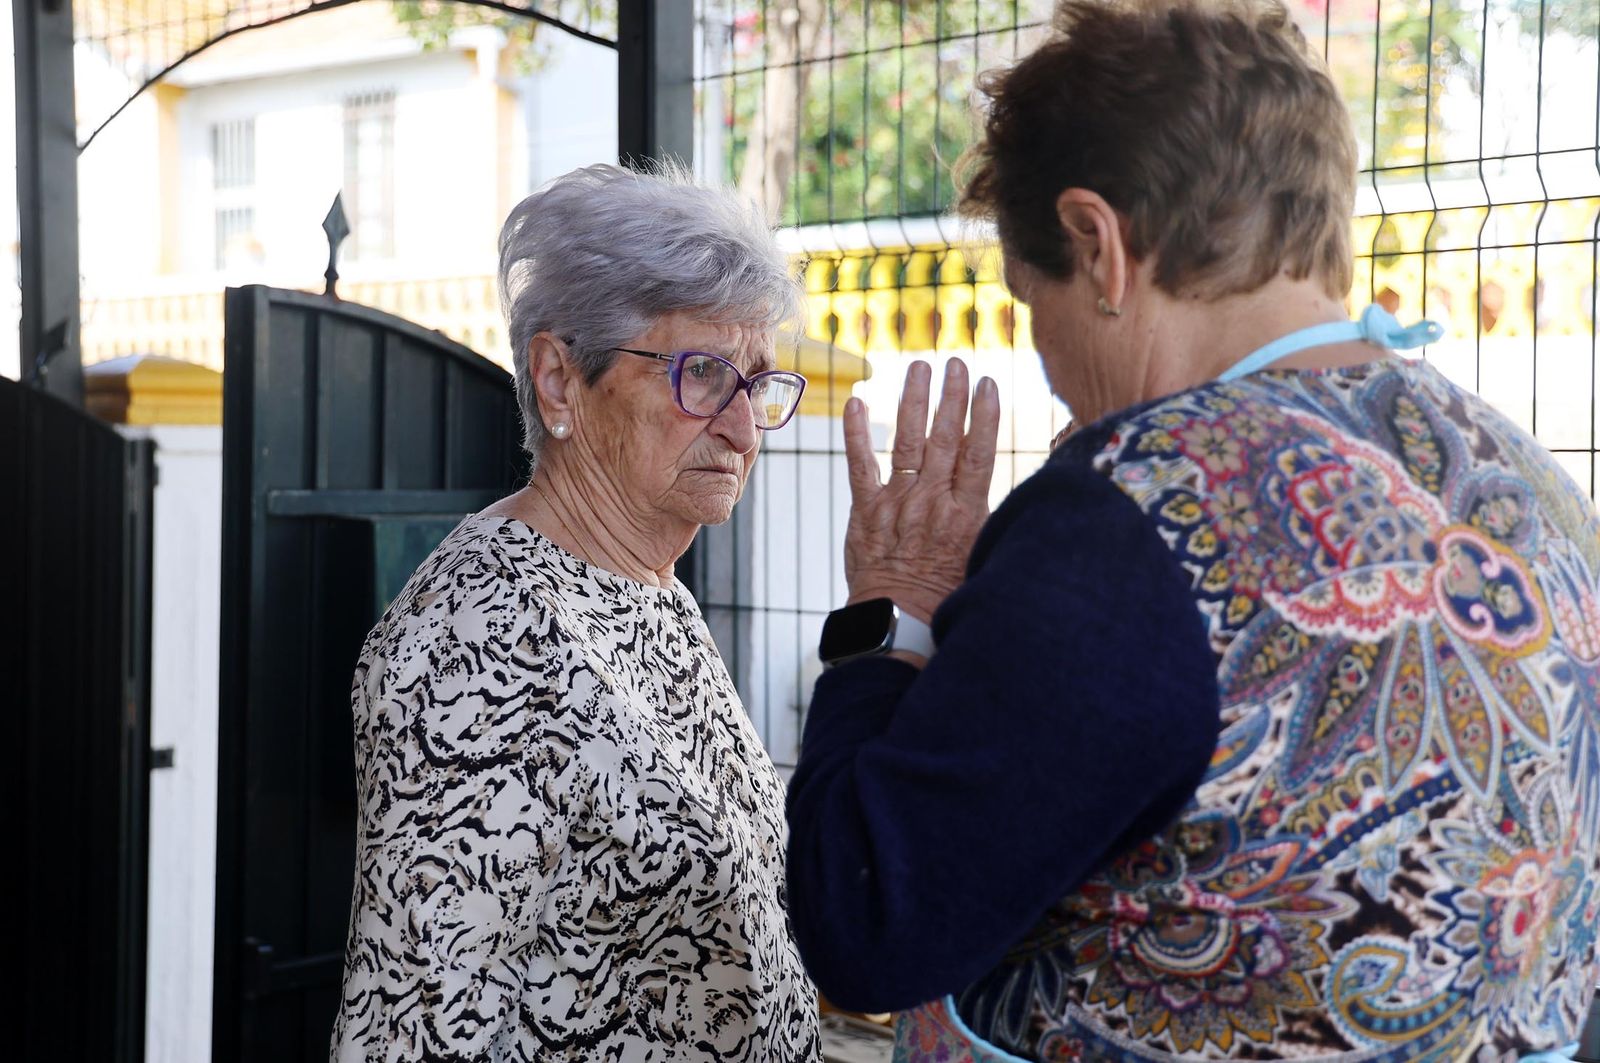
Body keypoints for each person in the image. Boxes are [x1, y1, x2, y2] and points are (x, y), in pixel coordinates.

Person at [784, 1, 1600, 1060]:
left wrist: (887, 614)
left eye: (1036, 306)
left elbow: (868, 927)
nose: (1048, 363)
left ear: (1097, 243)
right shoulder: (1525, 476)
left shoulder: (1133, 510)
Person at [330, 163, 821, 1061]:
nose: (745, 429)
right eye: (702, 374)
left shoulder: (646, 583)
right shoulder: (472, 640)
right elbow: (413, 1027)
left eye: (756, 383)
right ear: (559, 380)